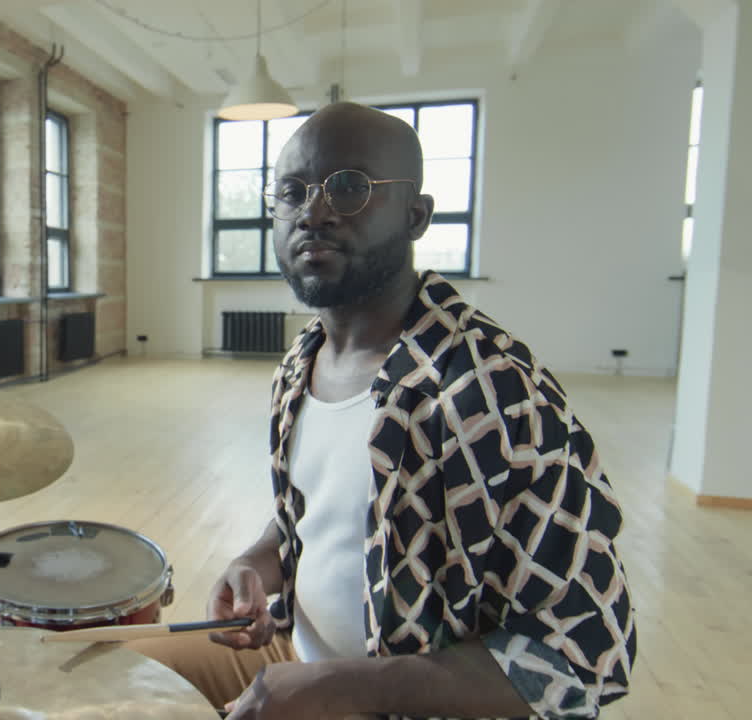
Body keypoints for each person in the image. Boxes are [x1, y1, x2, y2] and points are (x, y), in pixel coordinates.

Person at [128, 102, 635, 720]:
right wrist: (260, 558)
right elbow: (322, 512)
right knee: (106, 678)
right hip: (296, 657)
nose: (313, 211)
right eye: (292, 191)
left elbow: (580, 659)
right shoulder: (302, 360)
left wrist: (341, 688)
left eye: (349, 187)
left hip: (395, 702)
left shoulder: (492, 394)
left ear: (416, 216)